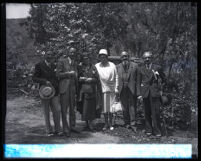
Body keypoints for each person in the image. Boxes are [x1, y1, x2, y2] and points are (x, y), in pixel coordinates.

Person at [32, 50, 62, 136]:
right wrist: (44, 81)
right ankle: (49, 131)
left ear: (53, 56)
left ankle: (58, 129)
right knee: (46, 111)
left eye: (51, 55)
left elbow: (57, 78)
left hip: (54, 92)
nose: (49, 56)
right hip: (44, 91)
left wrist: (57, 89)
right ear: (45, 56)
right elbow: (34, 78)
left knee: (57, 110)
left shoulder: (54, 65)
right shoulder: (39, 65)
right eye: (48, 55)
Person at [137, 51, 163, 137]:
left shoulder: (157, 67)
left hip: (154, 93)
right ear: (143, 59)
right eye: (145, 58)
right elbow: (138, 82)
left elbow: (163, 79)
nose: (147, 59)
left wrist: (160, 89)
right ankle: (148, 130)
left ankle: (157, 131)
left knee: (156, 113)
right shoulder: (140, 68)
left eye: (149, 58)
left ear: (151, 58)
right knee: (146, 112)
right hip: (145, 93)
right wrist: (139, 94)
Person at [56, 47, 79, 137]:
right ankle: (65, 129)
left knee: (72, 109)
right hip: (64, 88)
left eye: (74, 52)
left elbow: (76, 75)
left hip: (72, 89)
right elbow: (58, 74)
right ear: (68, 53)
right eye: (71, 52)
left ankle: (72, 126)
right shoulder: (62, 61)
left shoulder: (75, 63)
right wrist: (68, 74)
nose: (72, 54)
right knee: (64, 110)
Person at [77, 53, 102, 131]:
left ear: (89, 59)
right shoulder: (80, 67)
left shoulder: (93, 67)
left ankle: (91, 125)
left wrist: (91, 79)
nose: (86, 60)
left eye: (87, 58)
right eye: (84, 58)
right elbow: (76, 77)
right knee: (84, 108)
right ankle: (87, 125)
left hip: (91, 90)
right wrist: (80, 78)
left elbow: (97, 79)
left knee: (91, 108)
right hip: (83, 91)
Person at [95, 49, 119, 131]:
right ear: (99, 58)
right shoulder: (97, 66)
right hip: (102, 89)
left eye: (104, 57)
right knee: (105, 108)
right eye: (101, 57)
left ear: (106, 57)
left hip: (112, 88)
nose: (102, 58)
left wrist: (116, 88)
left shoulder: (112, 65)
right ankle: (106, 123)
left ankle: (111, 123)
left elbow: (116, 77)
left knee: (111, 107)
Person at [116, 51, 139, 131]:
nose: (124, 58)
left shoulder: (135, 66)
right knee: (124, 107)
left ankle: (133, 124)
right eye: (123, 56)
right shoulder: (117, 67)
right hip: (122, 89)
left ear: (128, 57)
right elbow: (116, 79)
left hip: (132, 89)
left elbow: (138, 79)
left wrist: (138, 91)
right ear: (121, 58)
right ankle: (127, 123)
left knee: (132, 106)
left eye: (126, 56)